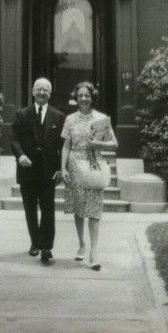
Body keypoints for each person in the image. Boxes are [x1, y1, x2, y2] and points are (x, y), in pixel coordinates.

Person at [60, 81, 118, 271]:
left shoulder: (101, 119)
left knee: (94, 209)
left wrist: (98, 145)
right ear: (76, 98)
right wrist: (64, 168)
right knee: (78, 208)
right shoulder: (70, 119)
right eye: (80, 96)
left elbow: (114, 144)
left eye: (87, 95)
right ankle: (81, 244)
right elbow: (66, 146)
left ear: (92, 97)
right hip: (75, 165)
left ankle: (94, 252)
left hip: (93, 164)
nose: (83, 99)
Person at [10, 77, 65, 264]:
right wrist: (20, 156)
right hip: (27, 169)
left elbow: (62, 146)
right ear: (33, 92)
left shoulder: (58, 116)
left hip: (48, 171)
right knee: (30, 209)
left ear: (50, 93)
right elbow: (14, 140)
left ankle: (47, 247)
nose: (42, 93)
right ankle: (35, 243)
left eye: (46, 90)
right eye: (39, 89)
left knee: (48, 210)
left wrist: (59, 168)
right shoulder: (22, 114)